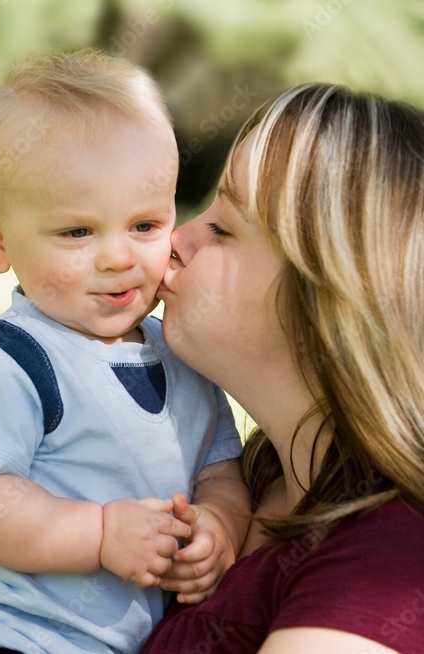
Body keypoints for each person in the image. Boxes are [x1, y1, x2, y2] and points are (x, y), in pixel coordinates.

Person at [0, 48, 251, 654]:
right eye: (78, 232)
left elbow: (221, 470)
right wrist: (97, 534)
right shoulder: (12, 363)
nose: (118, 256)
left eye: (145, 225)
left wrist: (220, 526)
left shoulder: (184, 357)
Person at [141, 83, 424, 653]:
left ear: (330, 300)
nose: (176, 240)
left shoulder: (391, 556)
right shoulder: (246, 480)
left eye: (222, 229)